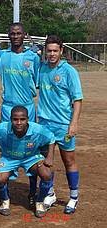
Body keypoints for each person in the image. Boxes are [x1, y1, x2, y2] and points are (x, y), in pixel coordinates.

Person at [0, 106, 55, 218]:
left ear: (28, 119)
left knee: (47, 174)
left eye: (22, 119)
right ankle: (5, 201)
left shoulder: (38, 130)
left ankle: (39, 201)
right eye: (15, 119)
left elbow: (51, 138)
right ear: (10, 119)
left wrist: (50, 156)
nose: (18, 122)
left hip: (31, 157)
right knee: (0, 178)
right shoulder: (2, 129)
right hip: (9, 158)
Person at [0, 22, 41, 206]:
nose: (15, 36)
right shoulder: (2, 56)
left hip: (27, 108)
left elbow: (38, 81)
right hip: (7, 108)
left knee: (32, 149)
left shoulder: (33, 58)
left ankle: (32, 191)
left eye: (18, 33)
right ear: (8, 36)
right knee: (6, 147)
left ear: (24, 35)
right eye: (12, 33)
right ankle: (3, 194)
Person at [37, 35, 83, 214]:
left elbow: (77, 99)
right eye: (49, 51)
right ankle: (50, 193)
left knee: (68, 160)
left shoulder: (69, 71)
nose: (52, 54)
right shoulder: (42, 69)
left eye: (55, 50)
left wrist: (74, 123)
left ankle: (73, 196)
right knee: (47, 161)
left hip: (63, 124)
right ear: (45, 52)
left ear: (61, 51)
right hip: (45, 125)